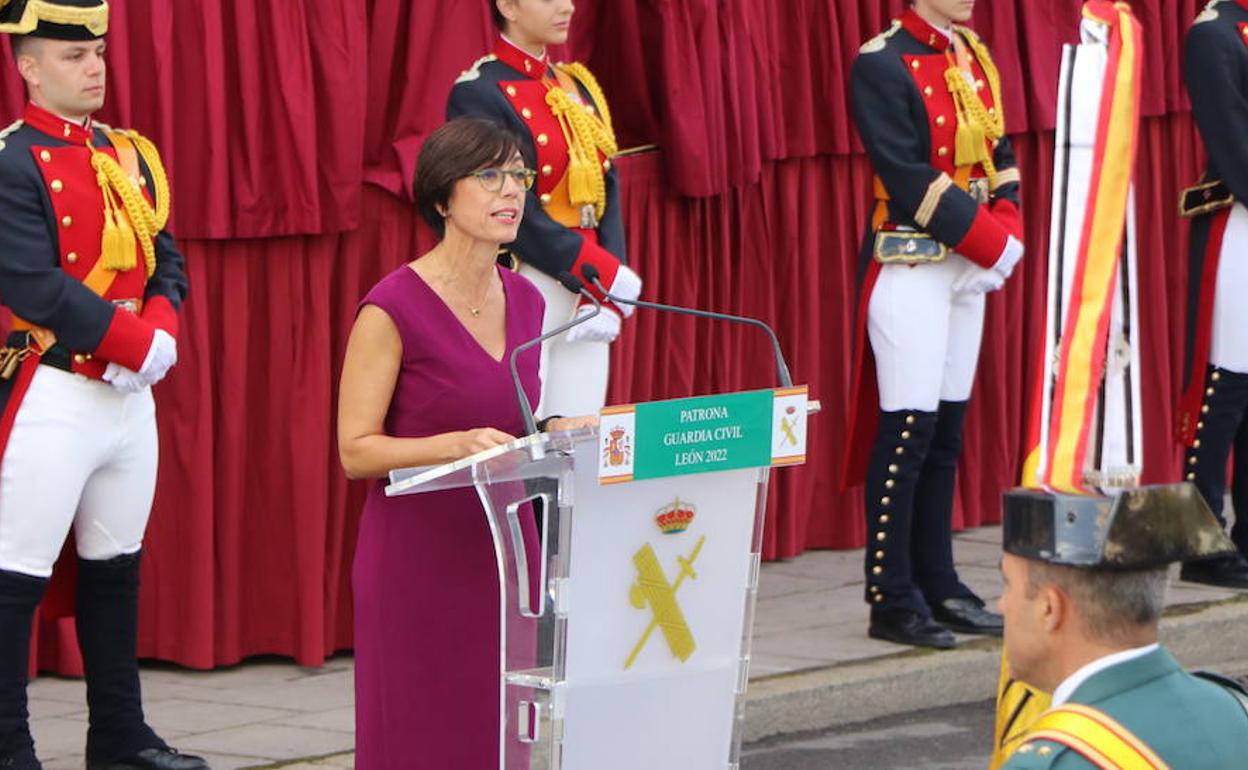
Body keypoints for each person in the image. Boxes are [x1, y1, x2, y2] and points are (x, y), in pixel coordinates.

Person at [338, 117, 593, 770]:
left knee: (499, 738)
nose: (511, 192)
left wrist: (552, 427)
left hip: (506, 556)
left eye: (519, 176)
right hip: (418, 561)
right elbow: (355, 451)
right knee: (419, 738)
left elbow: (507, 418)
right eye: (490, 176)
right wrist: (448, 445)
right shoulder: (391, 307)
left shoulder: (529, 301)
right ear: (442, 197)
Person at [0, 2, 202, 769]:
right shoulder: (12, 161)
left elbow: (167, 260)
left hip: (130, 392)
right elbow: (31, 283)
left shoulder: (130, 154)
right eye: (70, 56)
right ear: (27, 66)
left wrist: (159, 337)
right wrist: (130, 340)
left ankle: (118, 736)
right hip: (55, 390)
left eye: (98, 54)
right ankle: (9, 745)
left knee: (116, 568)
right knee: (13, 575)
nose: (93, 69)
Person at [843, 0, 1024, 649]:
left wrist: (1008, 229)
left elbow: (999, 152)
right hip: (913, 264)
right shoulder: (881, 63)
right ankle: (891, 595)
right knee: (908, 431)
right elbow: (906, 171)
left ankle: (939, 581)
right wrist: (988, 241)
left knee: (947, 431)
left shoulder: (970, 53)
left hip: (967, 266)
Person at [446, 0, 641, 419]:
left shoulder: (575, 84)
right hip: (529, 272)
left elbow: (606, 183)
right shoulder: (478, 91)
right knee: (521, 432)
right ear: (508, 6)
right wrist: (593, 267)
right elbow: (504, 199)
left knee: (581, 428)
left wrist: (611, 274)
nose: (567, 7)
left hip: (588, 283)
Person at [996, 486, 1248, 768]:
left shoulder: (1053, 763)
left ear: (1050, 609)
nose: (1001, 605)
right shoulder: (1235, 709)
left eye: (1007, 585)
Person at [1174, 0, 1248, 589]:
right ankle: (1203, 538)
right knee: (1224, 383)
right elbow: (1231, 137)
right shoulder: (1214, 33)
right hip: (1237, 222)